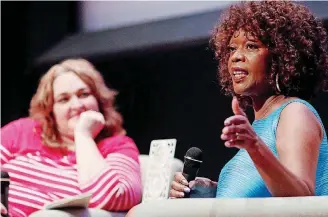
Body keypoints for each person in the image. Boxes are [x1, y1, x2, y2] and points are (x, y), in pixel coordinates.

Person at [170, 1, 328, 199]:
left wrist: (254, 145)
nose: (236, 56)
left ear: (281, 57)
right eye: (231, 49)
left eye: (251, 46)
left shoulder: (294, 113)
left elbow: (301, 198)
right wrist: (210, 191)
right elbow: (263, 194)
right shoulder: (261, 126)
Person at [0, 58, 142, 217]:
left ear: (99, 101)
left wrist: (83, 136)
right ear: (50, 110)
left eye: (84, 94)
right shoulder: (23, 130)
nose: (76, 105)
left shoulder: (118, 145)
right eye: (64, 99)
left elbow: (115, 197)